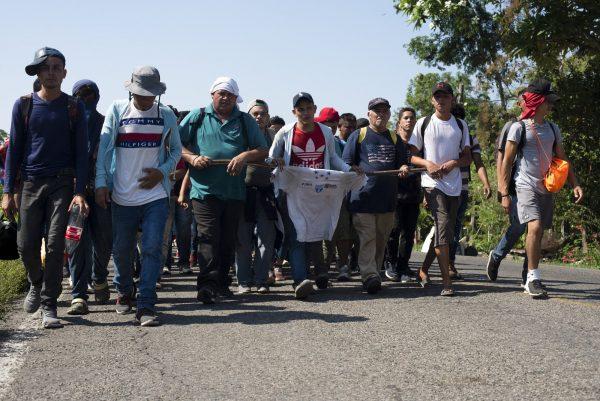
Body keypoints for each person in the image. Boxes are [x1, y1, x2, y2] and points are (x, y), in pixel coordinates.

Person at [2, 47, 88, 328]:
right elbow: (14, 150)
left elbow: (81, 153)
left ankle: (49, 305)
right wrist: (7, 192)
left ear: (64, 73)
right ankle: (36, 283)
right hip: (29, 183)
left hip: (62, 184)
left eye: (56, 67)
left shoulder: (74, 107)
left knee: (54, 245)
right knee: (26, 245)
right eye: (45, 68)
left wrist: (79, 192)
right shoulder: (23, 104)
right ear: (38, 73)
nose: (51, 73)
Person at [95, 66, 182, 326]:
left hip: (155, 195)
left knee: (153, 247)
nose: (146, 99)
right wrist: (101, 183)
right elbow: (103, 150)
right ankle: (123, 289)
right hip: (122, 196)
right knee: (121, 250)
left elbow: (176, 150)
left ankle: (146, 304)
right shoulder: (117, 110)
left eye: (150, 95)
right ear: (131, 90)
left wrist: (163, 172)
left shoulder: (165, 114)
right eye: (141, 93)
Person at [178, 77, 268, 304]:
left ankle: (222, 284)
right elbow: (175, 144)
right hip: (204, 190)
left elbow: (262, 149)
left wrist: (244, 156)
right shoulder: (197, 116)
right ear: (212, 95)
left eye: (230, 94)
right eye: (221, 93)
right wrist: (192, 157)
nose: (226, 97)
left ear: (237, 98)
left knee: (227, 239)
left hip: (234, 191)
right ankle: (206, 285)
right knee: (208, 236)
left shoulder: (245, 120)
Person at [498, 79, 583, 298]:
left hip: (547, 187)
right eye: (548, 102)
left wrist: (575, 184)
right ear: (537, 103)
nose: (551, 106)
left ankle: (528, 274)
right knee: (534, 227)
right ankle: (533, 278)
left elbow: (562, 159)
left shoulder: (553, 129)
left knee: (539, 231)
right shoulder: (518, 128)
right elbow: (506, 163)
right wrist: (504, 193)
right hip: (525, 185)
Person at [269, 92, 353, 299]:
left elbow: (332, 158)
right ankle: (300, 280)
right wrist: (277, 161)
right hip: (291, 192)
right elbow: (270, 157)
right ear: (294, 112)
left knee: (315, 232)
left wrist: (349, 170)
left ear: (315, 109)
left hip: (318, 192)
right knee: (297, 234)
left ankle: (319, 271)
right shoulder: (285, 133)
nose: (305, 112)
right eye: (300, 109)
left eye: (308, 108)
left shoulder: (325, 132)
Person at [408, 82, 471, 296]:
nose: (441, 100)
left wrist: (454, 163)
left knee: (445, 233)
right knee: (443, 229)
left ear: (452, 99)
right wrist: (427, 164)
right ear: (432, 100)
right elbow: (411, 156)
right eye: (437, 96)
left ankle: (423, 270)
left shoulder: (461, 125)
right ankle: (447, 284)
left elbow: (468, 156)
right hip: (432, 184)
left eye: (445, 96)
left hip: (455, 185)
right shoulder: (424, 123)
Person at [342, 98, 409, 294]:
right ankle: (369, 275)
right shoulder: (359, 135)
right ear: (369, 114)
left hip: (387, 200)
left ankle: (374, 274)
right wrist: (352, 168)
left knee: (381, 239)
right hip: (362, 199)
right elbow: (345, 162)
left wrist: (404, 168)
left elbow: (402, 163)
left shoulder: (395, 138)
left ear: (389, 115)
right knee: (368, 237)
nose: (381, 114)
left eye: (384, 111)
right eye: (376, 111)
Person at [66, 80, 112, 315]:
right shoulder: (67, 124)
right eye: (80, 95)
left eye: (90, 94)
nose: (85, 99)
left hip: (100, 191)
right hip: (74, 194)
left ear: (97, 96)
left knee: (104, 240)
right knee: (75, 242)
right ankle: (79, 294)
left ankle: (100, 276)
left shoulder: (105, 124)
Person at [486, 88, 529, 283]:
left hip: (535, 187)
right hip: (513, 188)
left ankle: (529, 272)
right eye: (526, 100)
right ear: (519, 103)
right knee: (519, 227)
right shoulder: (512, 126)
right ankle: (496, 256)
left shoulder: (540, 127)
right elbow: (501, 158)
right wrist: (503, 190)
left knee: (534, 229)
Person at [235, 99, 277, 294]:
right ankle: (243, 281)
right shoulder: (240, 135)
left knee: (266, 239)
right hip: (243, 192)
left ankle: (261, 280)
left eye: (263, 113)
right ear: (249, 116)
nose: (259, 117)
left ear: (268, 117)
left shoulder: (275, 136)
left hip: (267, 192)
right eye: (255, 114)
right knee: (243, 240)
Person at [447, 103, 491, 279]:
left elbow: (478, 163)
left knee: (455, 228)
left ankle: (449, 264)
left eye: (460, 119)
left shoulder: (470, 139)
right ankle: (433, 266)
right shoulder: (442, 136)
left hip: (462, 189)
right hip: (442, 188)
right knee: (444, 227)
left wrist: (486, 183)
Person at [384, 107, 421, 283]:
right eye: (405, 118)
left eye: (412, 118)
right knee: (393, 230)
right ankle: (390, 264)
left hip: (413, 195)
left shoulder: (418, 145)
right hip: (394, 194)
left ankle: (403, 266)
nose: (409, 121)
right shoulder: (392, 141)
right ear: (399, 122)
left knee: (409, 233)